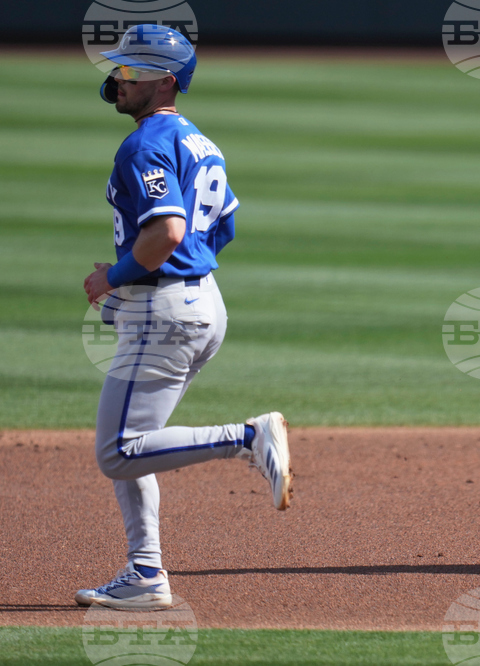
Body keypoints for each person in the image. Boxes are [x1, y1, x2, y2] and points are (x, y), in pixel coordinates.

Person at [77, 25, 292, 608]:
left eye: (131, 70)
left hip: (164, 310)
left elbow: (169, 231)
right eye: (118, 68)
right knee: (138, 440)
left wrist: (117, 277)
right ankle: (146, 572)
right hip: (199, 303)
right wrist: (170, 275)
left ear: (166, 81)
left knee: (118, 450)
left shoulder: (145, 143)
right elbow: (224, 226)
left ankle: (247, 438)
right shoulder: (199, 140)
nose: (118, 78)